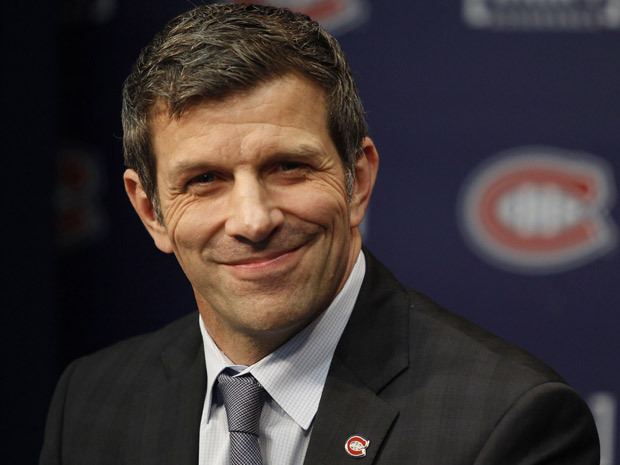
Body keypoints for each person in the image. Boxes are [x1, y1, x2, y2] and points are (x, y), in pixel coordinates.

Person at [40, 4, 599, 464]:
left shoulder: (509, 420)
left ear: (358, 181)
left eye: (288, 167)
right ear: (151, 211)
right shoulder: (91, 402)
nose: (253, 221)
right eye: (205, 180)